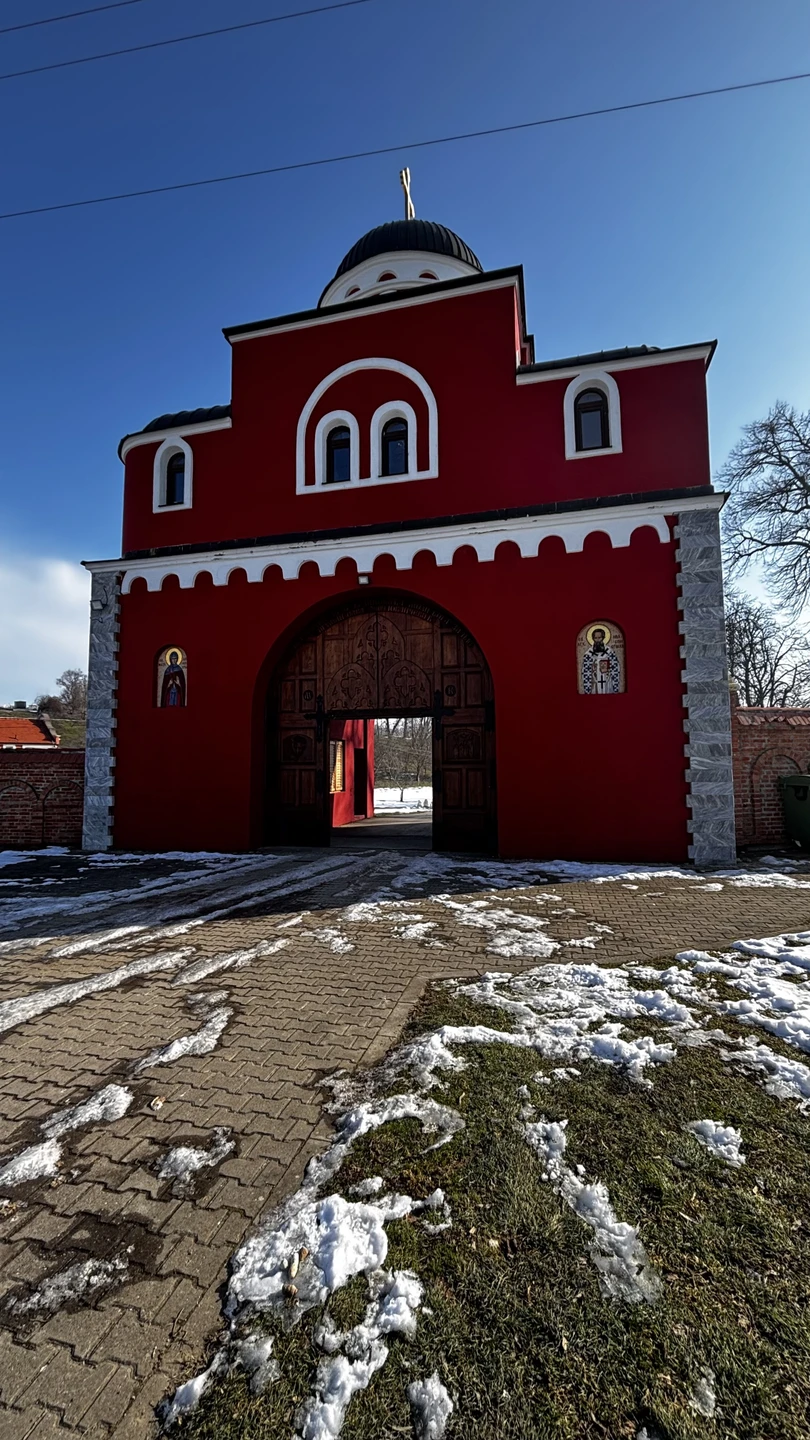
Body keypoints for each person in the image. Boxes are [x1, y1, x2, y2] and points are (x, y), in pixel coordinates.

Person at [581, 627, 621, 695]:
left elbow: (616, 669)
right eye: (595, 638)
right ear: (593, 638)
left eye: (599, 638)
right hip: (595, 683)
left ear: (603, 638)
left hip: (607, 682)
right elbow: (585, 672)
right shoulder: (588, 654)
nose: (597, 640)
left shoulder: (610, 652)